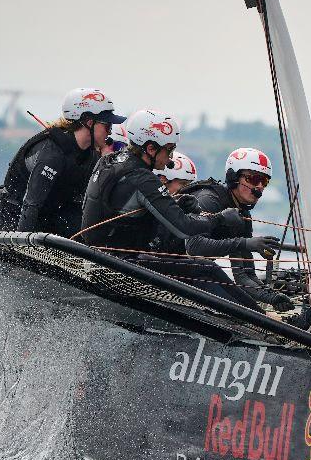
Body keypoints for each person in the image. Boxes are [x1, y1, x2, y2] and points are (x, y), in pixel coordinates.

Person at [80, 109, 262, 312]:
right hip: (121, 265)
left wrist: (175, 202)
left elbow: (125, 207)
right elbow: (185, 228)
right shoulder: (143, 179)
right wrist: (220, 219)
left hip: (101, 256)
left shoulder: (110, 160)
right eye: (169, 150)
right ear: (150, 148)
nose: (170, 159)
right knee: (208, 268)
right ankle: (264, 320)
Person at [174, 147, 311, 329]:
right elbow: (194, 247)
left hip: (190, 274)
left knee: (210, 272)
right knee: (209, 269)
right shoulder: (209, 200)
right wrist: (246, 243)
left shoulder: (242, 216)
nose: (259, 187)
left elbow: (244, 275)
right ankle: (271, 323)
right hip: (163, 268)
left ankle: (271, 321)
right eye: (253, 179)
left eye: (264, 182)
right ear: (234, 178)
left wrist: (271, 296)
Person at [0, 88, 125, 236]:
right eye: (107, 125)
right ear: (89, 122)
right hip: (12, 212)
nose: (110, 131)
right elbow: (31, 204)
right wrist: (23, 248)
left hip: (47, 216)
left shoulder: (90, 156)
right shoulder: (52, 154)